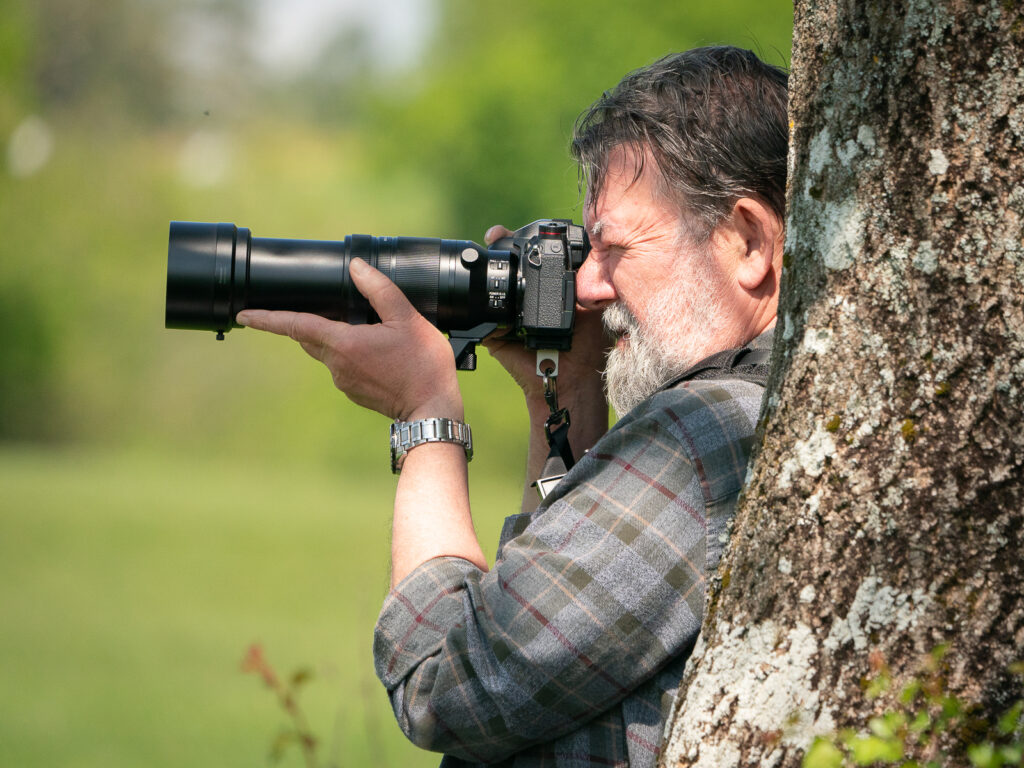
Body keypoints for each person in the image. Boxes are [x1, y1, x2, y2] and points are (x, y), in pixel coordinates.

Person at [237, 46, 788, 768]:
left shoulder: (706, 434)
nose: (587, 287)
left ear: (747, 242)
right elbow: (546, 630)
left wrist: (425, 414)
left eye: (616, 249)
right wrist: (564, 393)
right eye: (585, 250)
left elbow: (443, 681)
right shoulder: (773, 410)